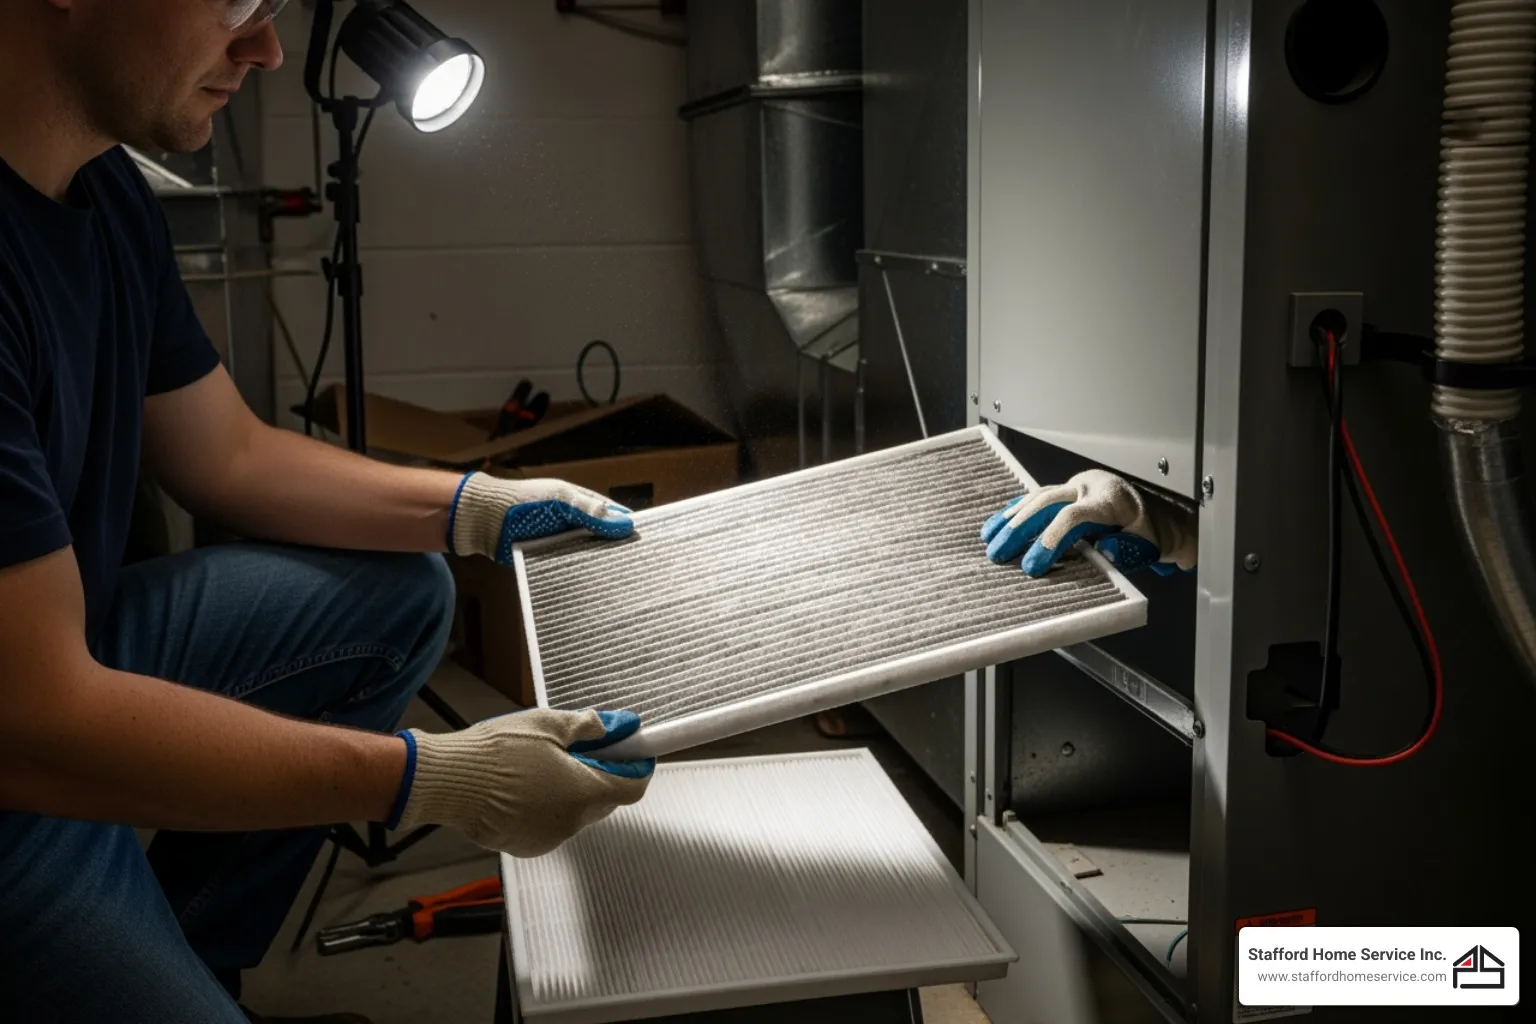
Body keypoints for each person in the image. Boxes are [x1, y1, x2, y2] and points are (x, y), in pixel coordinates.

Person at [0, 3, 652, 1022]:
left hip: (52, 663)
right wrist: (425, 779)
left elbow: (229, 455)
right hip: (24, 750)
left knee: (395, 589)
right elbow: (36, 723)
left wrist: (480, 508)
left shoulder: (106, 192)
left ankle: (186, 950)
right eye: (235, 3)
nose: (264, 49)